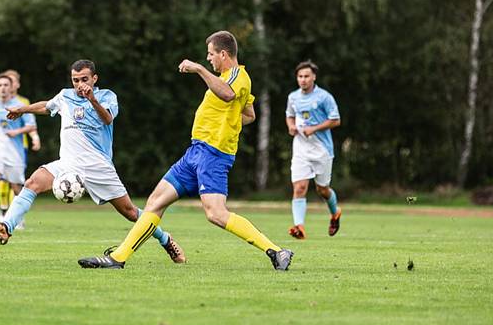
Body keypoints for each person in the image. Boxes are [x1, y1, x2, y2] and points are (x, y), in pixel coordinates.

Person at [78, 31, 293, 270]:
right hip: (195, 152)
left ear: (223, 54)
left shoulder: (236, 76)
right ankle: (117, 258)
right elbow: (249, 115)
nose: (209, 58)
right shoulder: (226, 77)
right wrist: (227, 122)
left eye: (211, 54)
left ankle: (277, 251)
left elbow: (227, 94)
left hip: (214, 154)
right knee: (155, 202)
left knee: (216, 214)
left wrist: (199, 69)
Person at [0, 60, 186, 264]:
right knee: (32, 182)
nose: (79, 84)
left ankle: (165, 239)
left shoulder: (107, 96)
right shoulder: (65, 95)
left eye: (84, 79)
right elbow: (46, 106)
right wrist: (22, 109)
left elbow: (107, 119)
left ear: (94, 78)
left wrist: (92, 99)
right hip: (67, 163)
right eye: (75, 80)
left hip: (98, 166)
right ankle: (6, 228)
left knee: (130, 212)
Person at [285, 60, 343, 239]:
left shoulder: (324, 97)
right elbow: (289, 115)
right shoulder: (293, 97)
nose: (303, 80)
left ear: (314, 77)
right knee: (300, 187)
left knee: (322, 190)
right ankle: (299, 226)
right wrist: (291, 126)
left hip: (322, 150)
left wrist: (314, 128)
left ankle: (335, 213)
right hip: (301, 149)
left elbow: (336, 120)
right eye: (300, 76)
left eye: (306, 76)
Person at [0, 73, 36, 221]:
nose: (3, 88)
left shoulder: (21, 106)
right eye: (0, 85)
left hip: (15, 152)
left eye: (6, 85)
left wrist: (17, 131)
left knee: (16, 187)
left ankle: (18, 219)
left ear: (11, 87)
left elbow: (31, 126)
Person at [0, 69, 40, 227]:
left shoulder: (23, 102)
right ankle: (2, 214)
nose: (9, 85)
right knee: (0, 180)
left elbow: (31, 122)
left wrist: (35, 138)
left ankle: (16, 216)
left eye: (12, 81)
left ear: (17, 84)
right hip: (1, 149)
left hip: (19, 148)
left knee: (15, 182)